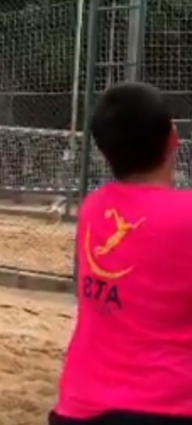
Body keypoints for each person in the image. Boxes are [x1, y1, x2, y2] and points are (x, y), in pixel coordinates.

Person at [51, 83, 192, 425]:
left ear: (104, 152)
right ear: (173, 138)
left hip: (78, 408)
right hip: (166, 408)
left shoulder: (93, 208)